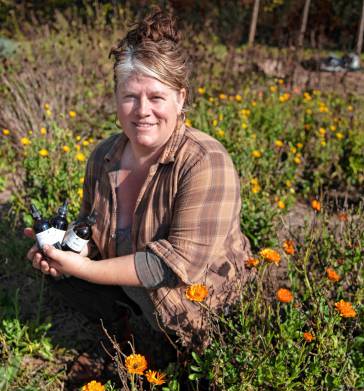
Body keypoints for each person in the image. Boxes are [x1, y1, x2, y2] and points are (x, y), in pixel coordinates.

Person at [25, 11, 252, 368]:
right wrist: (60, 252)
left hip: (193, 305)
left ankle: (173, 363)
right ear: (116, 97)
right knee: (62, 279)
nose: (143, 111)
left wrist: (83, 269)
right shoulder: (103, 156)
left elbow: (171, 268)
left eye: (157, 97)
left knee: (200, 367)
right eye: (130, 96)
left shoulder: (205, 161)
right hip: (132, 290)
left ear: (180, 98)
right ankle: (125, 337)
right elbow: (90, 235)